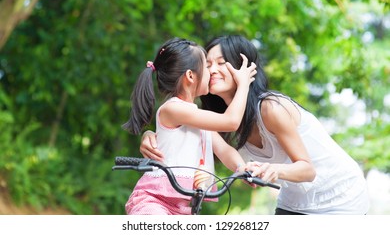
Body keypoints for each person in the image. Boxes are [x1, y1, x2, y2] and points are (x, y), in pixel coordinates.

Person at [140, 35, 370, 215]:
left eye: (222, 63)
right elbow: (196, 132)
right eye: (207, 64)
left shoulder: (271, 108)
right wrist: (151, 133)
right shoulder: (216, 116)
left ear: (245, 68)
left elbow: (307, 170)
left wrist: (263, 170)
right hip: (296, 200)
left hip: (340, 195)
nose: (212, 70)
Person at [122, 37, 257, 215]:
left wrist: (242, 168)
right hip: (154, 201)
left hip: (183, 208)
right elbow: (230, 122)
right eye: (206, 67)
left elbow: (224, 150)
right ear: (191, 76)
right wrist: (243, 85)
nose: (210, 73)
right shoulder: (173, 108)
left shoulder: (196, 117)